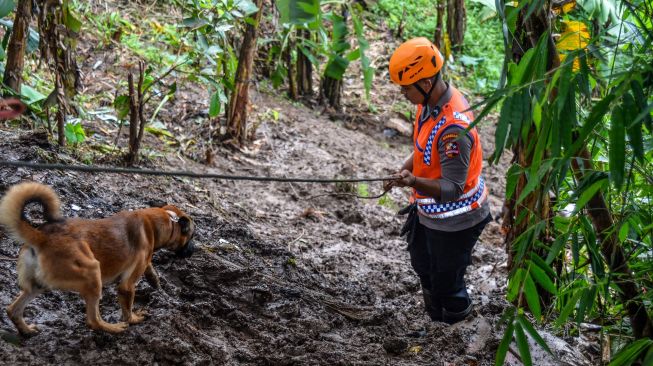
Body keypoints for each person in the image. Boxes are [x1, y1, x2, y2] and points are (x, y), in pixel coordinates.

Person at [384, 37, 492, 325]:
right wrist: (402, 172)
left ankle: (455, 328)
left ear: (426, 82)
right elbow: (421, 148)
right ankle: (436, 325)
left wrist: (412, 181)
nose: (403, 93)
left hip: (457, 219)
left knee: (448, 283)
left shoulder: (453, 130)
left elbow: (451, 189)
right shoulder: (428, 104)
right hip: (429, 211)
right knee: (423, 265)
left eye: (406, 88)